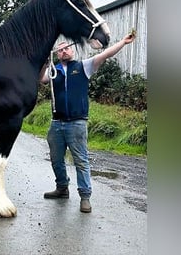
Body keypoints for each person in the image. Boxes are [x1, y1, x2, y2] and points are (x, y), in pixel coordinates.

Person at [40, 32, 136, 213]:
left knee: (81, 161)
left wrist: (123, 41)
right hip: (56, 123)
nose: (63, 51)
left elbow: (106, 54)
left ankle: (85, 197)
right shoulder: (53, 71)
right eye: (60, 50)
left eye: (66, 48)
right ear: (56, 54)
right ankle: (62, 188)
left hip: (77, 123)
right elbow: (40, 79)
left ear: (73, 51)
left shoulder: (84, 66)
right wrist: (44, 61)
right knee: (56, 159)